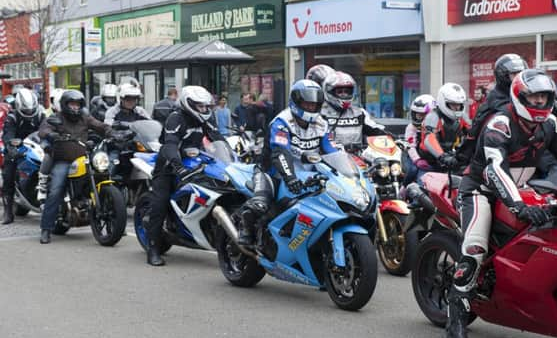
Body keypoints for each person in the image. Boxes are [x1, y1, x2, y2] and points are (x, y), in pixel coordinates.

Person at [444, 69, 557, 338]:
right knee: (474, 250)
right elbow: (494, 170)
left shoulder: (552, 125)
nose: (540, 101)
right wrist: (519, 206)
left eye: (545, 96)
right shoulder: (500, 124)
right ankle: (454, 328)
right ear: (519, 96)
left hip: (519, 188)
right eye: (534, 96)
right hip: (480, 190)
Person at [238, 79, 336, 246]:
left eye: (314, 105)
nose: (311, 108)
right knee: (261, 204)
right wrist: (290, 178)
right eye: (307, 104)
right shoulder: (282, 122)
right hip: (273, 172)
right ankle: (245, 227)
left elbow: (331, 150)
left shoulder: (321, 123)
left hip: (307, 173)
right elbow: (280, 152)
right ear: (296, 102)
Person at [146, 86, 224, 266]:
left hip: (194, 163)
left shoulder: (207, 117)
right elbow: (170, 145)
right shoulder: (175, 118)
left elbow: (217, 137)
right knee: (160, 202)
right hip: (169, 166)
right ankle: (153, 249)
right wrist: (178, 166)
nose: (204, 110)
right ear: (189, 104)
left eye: (206, 106)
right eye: (200, 106)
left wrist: (231, 156)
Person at [37, 90, 112, 244]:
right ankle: (46, 229)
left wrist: (112, 132)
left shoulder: (85, 117)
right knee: (56, 190)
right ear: (65, 104)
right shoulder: (57, 117)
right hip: (63, 161)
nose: (75, 107)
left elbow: (100, 125)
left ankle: (115, 223)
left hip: (83, 158)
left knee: (103, 175)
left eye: (78, 104)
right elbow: (44, 129)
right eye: (72, 104)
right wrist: (50, 134)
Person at [1, 89, 46, 224]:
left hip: (37, 147)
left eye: (31, 109)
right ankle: (8, 211)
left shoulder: (41, 116)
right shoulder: (12, 118)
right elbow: (8, 134)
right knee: (9, 173)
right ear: (20, 106)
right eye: (26, 110)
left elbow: (47, 130)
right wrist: (11, 146)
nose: (29, 112)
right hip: (17, 147)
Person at [320, 71, 387, 148]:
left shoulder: (359, 113)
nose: (344, 94)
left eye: (347, 91)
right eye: (340, 92)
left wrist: (390, 137)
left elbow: (375, 130)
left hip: (357, 157)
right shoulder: (321, 114)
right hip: (332, 157)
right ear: (329, 92)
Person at [418, 83, 468, 178]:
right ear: (443, 102)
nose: (457, 108)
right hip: (429, 160)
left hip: (449, 158)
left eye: (459, 104)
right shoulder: (433, 116)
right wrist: (442, 156)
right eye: (453, 104)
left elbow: (472, 132)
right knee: (424, 185)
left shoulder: (462, 117)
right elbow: (429, 139)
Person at [403, 94, 436, 185]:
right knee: (413, 169)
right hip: (414, 156)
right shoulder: (411, 127)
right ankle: (404, 188)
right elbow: (410, 146)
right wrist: (417, 160)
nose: (419, 117)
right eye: (418, 115)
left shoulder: (437, 125)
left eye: (422, 115)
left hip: (433, 159)